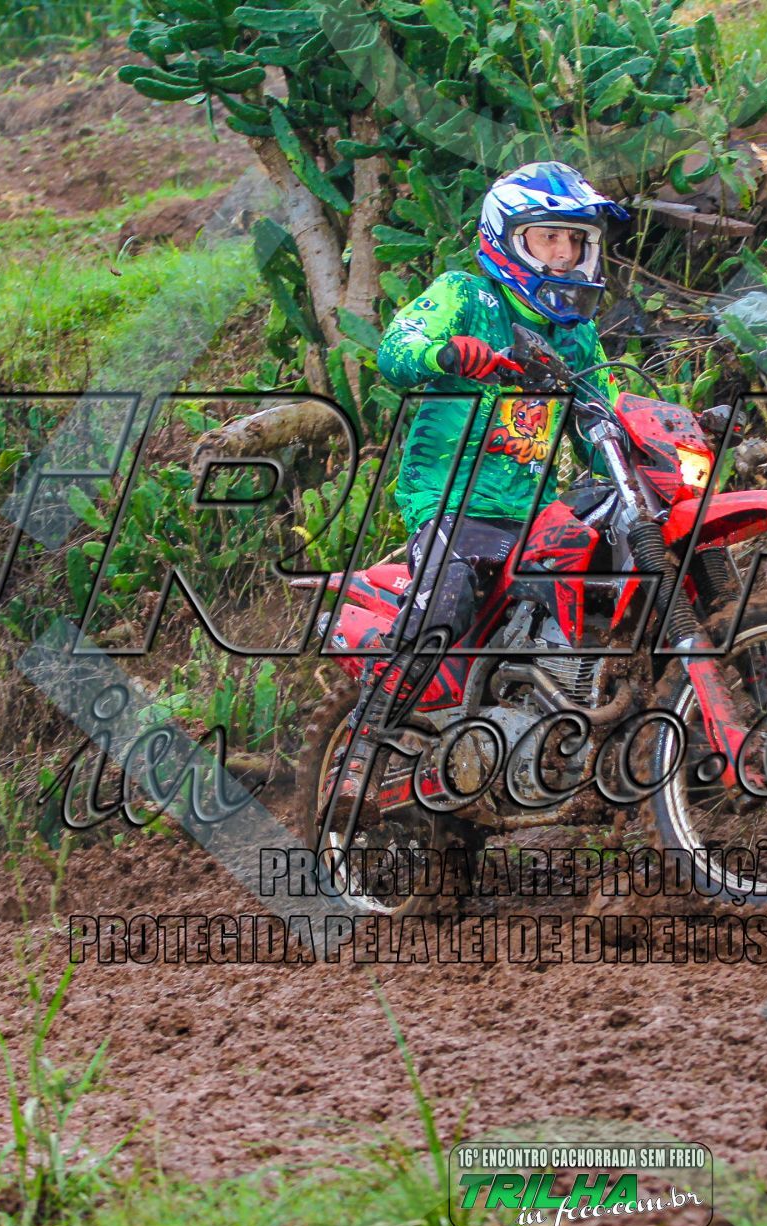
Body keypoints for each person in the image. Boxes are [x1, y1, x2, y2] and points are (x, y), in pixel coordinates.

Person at [333, 161, 629, 820]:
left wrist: (639, 445)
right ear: (508, 239)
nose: (564, 254)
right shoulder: (466, 295)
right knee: (448, 597)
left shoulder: (575, 335)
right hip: (449, 498)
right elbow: (396, 348)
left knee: (610, 571)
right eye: (548, 237)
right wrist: (448, 355)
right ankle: (365, 742)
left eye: (575, 240)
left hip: (531, 509)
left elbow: (600, 415)